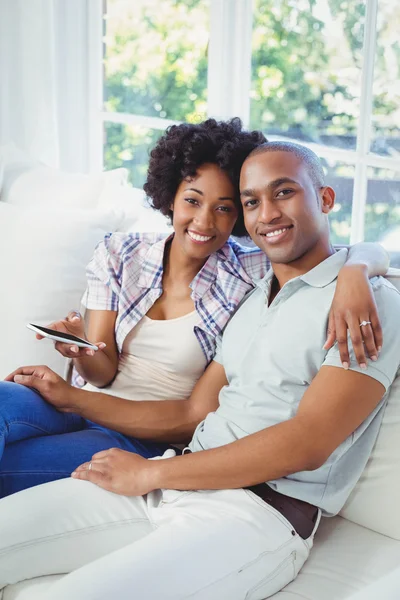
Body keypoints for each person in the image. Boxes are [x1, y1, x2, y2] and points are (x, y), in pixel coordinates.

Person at [1, 141, 399, 600]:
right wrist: (158, 474)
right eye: (252, 202)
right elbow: (198, 410)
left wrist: (150, 473)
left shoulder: (370, 306)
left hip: (255, 514)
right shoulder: (252, 297)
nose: (267, 213)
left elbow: (308, 443)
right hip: (177, 479)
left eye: (284, 193)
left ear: (325, 199)